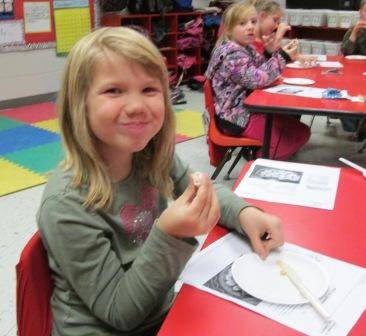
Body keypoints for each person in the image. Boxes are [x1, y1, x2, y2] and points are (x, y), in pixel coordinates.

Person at [37, 27, 284, 335]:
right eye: (114, 90)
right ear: (80, 104)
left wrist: (247, 213)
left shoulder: (149, 156)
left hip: (161, 309)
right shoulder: (66, 203)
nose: (137, 106)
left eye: (149, 90)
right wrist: (169, 233)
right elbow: (120, 312)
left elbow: (201, 191)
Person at [205, 2, 310, 160]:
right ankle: (258, 162)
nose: (250, 27)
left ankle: (261, 153)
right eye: (242, 23)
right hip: (234, 117)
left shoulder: (246, 48)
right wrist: (283, 56)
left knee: (301, 131)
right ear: (228, 29)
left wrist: (269, 52)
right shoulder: (231, 53)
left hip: (247, 110)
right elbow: (257, 79)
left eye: (253, 22)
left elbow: (261, 67)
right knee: (290, 138)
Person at [340, 0, 366, 138]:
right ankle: (353, 128)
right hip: (355, 73)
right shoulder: (353, 29)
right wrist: (355, 33)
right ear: (361, 13)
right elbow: (345, 52)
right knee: (345, 89)